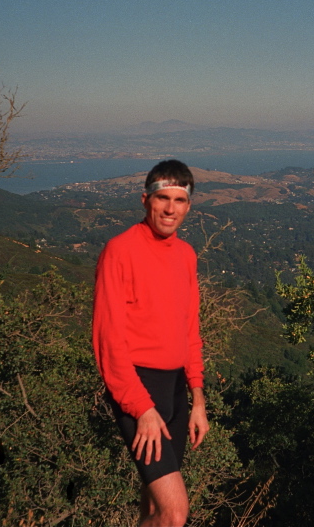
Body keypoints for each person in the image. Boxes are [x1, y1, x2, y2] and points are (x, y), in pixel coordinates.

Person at [92, 159, 208, 527]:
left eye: (179, 200)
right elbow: (107, 341)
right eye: (162, 198)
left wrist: (198, 398)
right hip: (139, 389)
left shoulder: (186, 255)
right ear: (146, 200)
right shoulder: (120, 250)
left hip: (175, 392)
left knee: (154, 512)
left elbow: (190, 329)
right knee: (175, 514)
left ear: (189, 206)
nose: (170, 209)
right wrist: (141, 407)